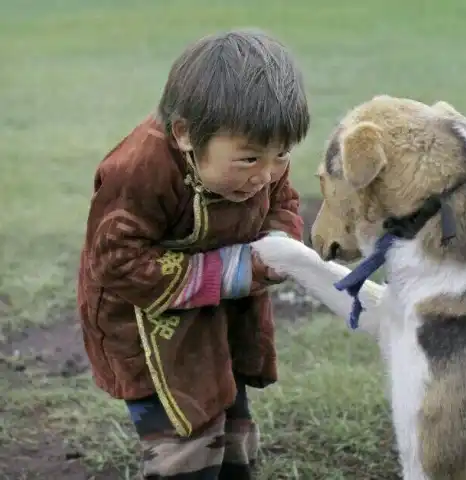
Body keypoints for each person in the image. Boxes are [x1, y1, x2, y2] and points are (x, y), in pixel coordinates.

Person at [76, 29, 309, 479]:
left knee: (229, 412)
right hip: (146, 323)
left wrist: (281, 242)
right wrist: (235, 270)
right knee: (185, 442)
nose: (266, 173)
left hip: (216, 315)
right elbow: (116, 260)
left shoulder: (263, 155)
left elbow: (284, 203)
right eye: (248, 160)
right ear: (185, 134)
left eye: (282, 155)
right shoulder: (139, 171)